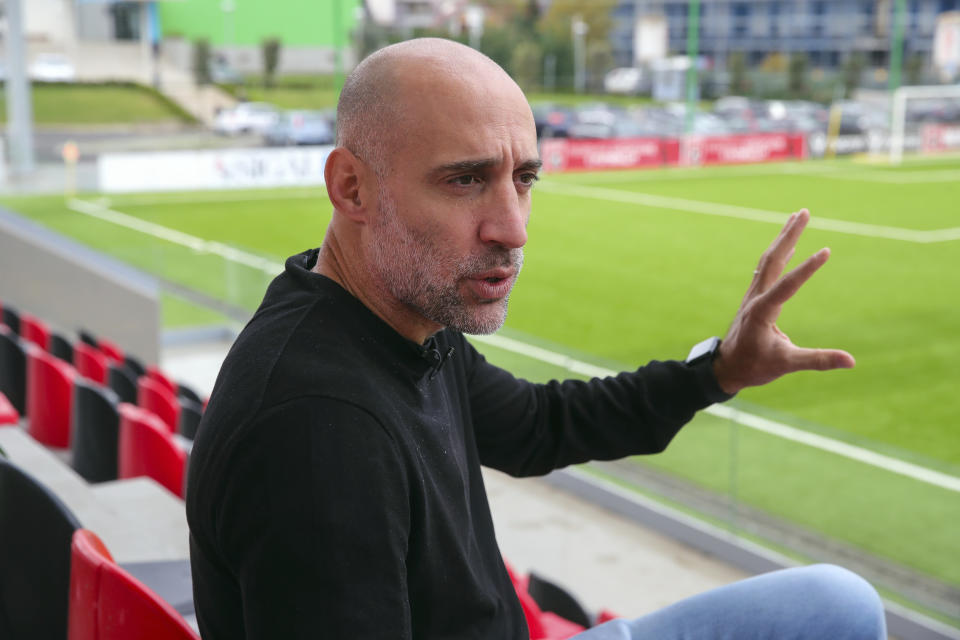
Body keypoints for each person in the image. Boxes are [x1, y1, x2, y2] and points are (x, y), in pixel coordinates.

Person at [186, 38, 885, 639]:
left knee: (835, 602)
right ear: (352, 188)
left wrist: (719, 370)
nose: (513, 229)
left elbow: (541, 426)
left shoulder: (398, 322)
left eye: (523, 179)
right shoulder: (319, 431)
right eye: (464, 180)